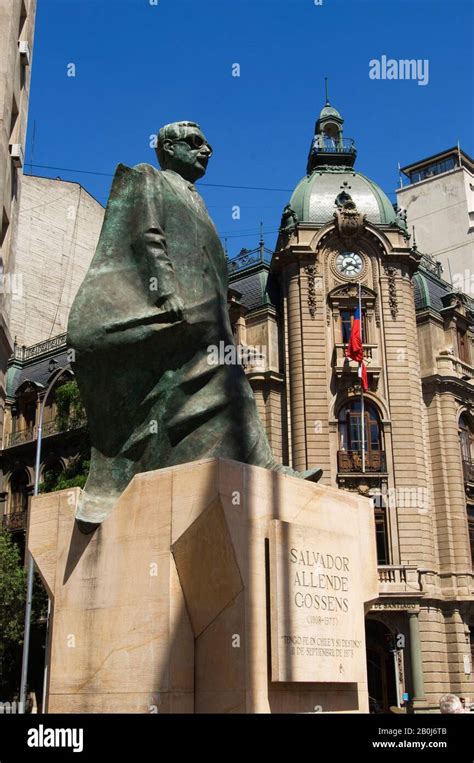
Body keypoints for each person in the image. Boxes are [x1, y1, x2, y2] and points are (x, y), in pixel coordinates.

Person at [68, 121, 322, 531]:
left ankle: (257, 464)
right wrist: (165, 290)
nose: (207, 150)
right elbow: (146, 237)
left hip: (206, 314)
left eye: (207, 144)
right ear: (167, 148)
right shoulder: (148, 179)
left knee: (229, 386)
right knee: (227, 384)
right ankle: (259, 465)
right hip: (172, 309)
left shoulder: (197, 200)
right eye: (195, 143)